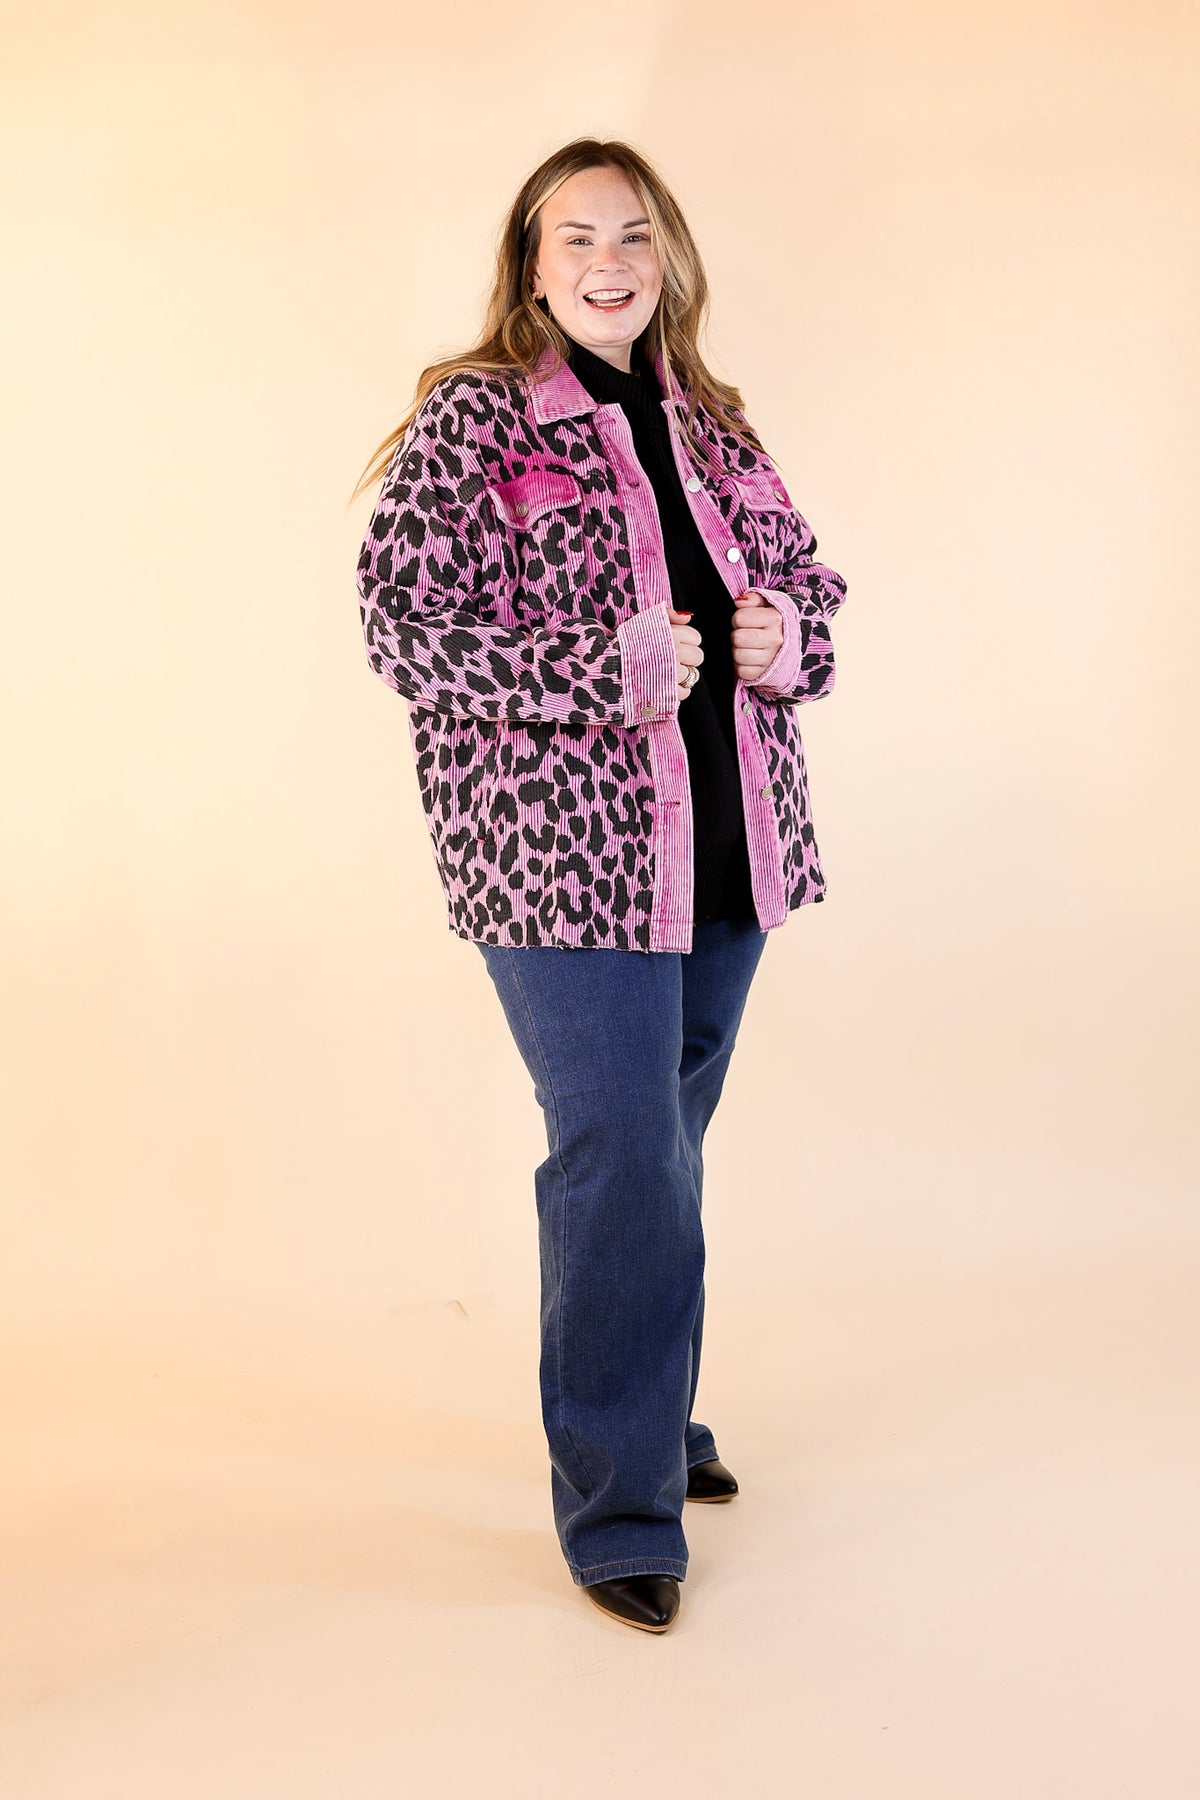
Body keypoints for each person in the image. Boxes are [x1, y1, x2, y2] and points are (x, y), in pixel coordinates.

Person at [352, 138, 848, 1633]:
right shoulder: (477, 419)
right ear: (531, 264)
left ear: (667, 255)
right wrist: (597, 666)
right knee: (621, 1149)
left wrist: (785, 634)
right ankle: (622, 1508)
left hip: (728, 846)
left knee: (663, 1151)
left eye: (633, 234)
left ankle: (650, 1417)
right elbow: (400, 626)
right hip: (561, 863)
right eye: (575, 238)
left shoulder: (714, 422)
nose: (608, 261)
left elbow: (810, 584)